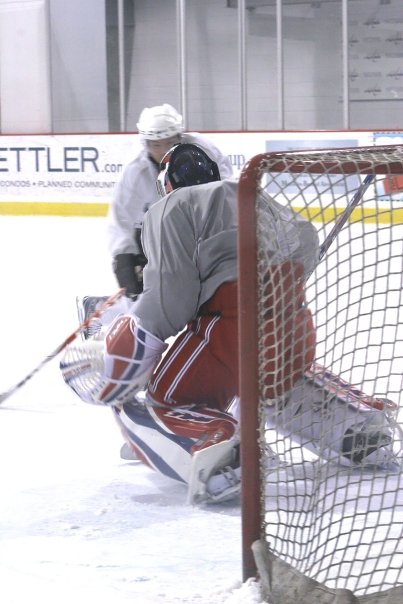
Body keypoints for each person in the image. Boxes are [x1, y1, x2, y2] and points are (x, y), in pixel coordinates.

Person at [62, 144, 399, 505]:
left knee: (165, 400)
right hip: (295, 320)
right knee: (272, 385)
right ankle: (355, 429)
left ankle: (222, 453)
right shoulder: (249, 193)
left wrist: (123, 354)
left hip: (230, 329)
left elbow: (170, 301)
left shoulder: (171, 206)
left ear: (167, 184)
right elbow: (305, 237)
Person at [78, 104, 233, 336]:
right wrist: (124, 258)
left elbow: (226, 188)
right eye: (156, 145)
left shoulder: (204, 151)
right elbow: (121, 220)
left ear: (180, 137)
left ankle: (102, 309)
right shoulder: (136, 172)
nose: (164, 151)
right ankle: (100, 311)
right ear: (146, 144)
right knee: (157, 295)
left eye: (170, 142)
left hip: (196, 227)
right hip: (155, 232)